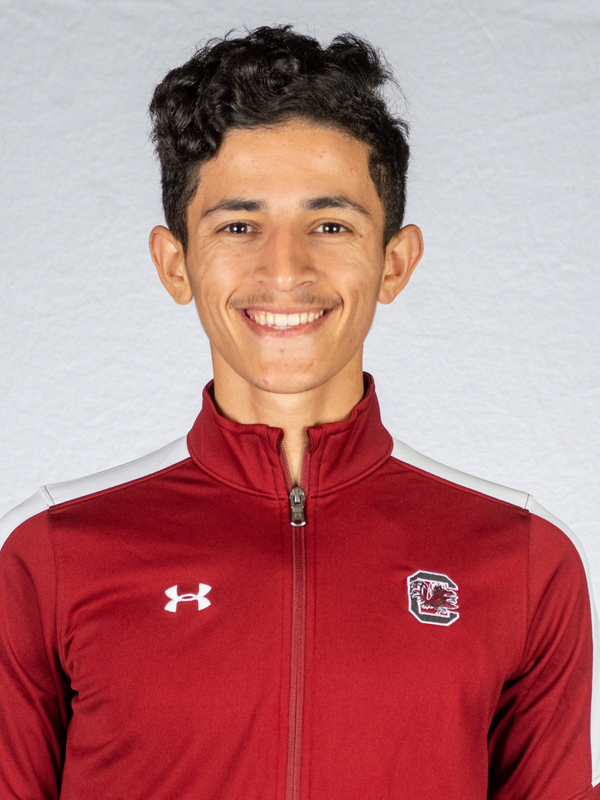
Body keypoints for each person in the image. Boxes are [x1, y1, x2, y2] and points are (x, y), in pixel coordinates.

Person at [0, 24, 598, 800]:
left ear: (394, 262)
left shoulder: (523, 561)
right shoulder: (50, 556)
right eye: (239, 225)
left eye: (331, 225)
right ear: (176, 264)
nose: (285, 270)